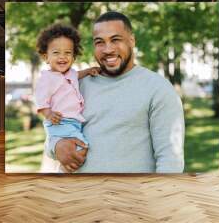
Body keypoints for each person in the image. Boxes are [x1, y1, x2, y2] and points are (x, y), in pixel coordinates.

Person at [44, 11, 185, 173]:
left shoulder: (158, 88)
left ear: (132, 41)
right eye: (99, 42)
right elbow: (52, 132)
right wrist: (56, 146)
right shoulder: (76, 85)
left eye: (115, 40)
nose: (108, 49)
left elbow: (170, 158)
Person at [34, 24, 99, 172]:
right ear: (46, 57)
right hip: (59, 121)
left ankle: (62, 163)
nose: (62, 57)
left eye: (67, 53)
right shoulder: (47, 78)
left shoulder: (71, 73)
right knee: (81, 147)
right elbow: (40, 98)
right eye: (56, 52)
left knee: (80, 147)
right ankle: (61, 164)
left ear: (74, 56)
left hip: (73, 123)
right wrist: (48, 113)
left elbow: (78, 74)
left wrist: (89, 71)